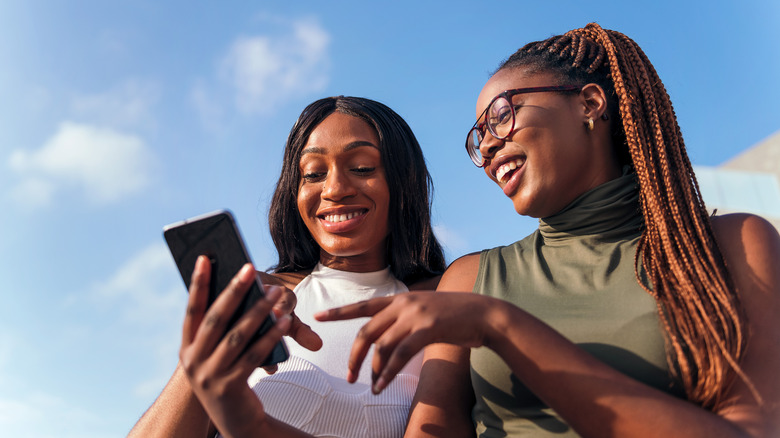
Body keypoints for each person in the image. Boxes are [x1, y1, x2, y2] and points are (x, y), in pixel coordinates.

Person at [315, 23, 780, 437]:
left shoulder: (733, 246)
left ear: (590, 104)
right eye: (478, 138)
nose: (490, 146)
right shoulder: (470, 278)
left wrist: (500, 326)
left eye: (501, 115)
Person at [128, 96, 445, 438]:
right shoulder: (261, 296)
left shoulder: (445, 300)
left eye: (363, 167)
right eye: (313, 174)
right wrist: (201, 363)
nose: (335, 189)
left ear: (404, 181)